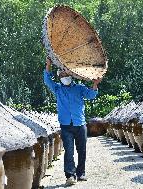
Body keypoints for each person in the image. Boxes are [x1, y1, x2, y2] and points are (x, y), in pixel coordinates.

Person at [43, 57, 101, 186]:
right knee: (68, 151)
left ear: (71, 75)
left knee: (82, 150)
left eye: (66, 73)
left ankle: (81, 173)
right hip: (66, 125)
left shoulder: (79, 88)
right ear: (59, 77)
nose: (64, 76)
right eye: (62, 74)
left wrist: (95, 84)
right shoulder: (57, 89)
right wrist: (48, 65)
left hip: (80, 124)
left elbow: (91, 95)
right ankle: (70, 175)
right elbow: (47, 80)